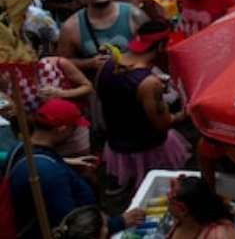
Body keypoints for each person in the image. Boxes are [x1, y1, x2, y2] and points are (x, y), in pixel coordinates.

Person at [6, 100, 145, 239]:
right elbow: (71, 226)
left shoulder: (20, 148)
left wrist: (65, 163)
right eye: (74, 128)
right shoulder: (49, 174)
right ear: (62, 129)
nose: (76, 132)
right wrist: (119, 222)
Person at [95, 21, 190, 190]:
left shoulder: (106, 65)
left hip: (117, 144)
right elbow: (163, 123)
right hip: (148, 147)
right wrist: (183, 114)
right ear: (161, 46)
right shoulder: (148, 83)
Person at [58, 0, 149, 76]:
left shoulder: (134, 15)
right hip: (97, 86)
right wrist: (89, 63)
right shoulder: (71, 26)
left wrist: (127, 61)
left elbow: (154, 49)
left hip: (136, 80)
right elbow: (62, 62)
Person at [162, 176, 235, 239]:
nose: (167, 201)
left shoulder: (219, 235)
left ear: (182, 209)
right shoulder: (183, 220)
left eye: (170, 200)